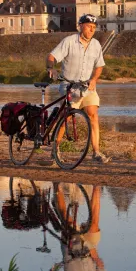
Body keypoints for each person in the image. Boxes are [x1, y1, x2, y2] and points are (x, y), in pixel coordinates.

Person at [47, 14, 110, 164]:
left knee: (93, 114)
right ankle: (55, 150)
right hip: (69, 86)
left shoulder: (96, 45)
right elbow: (51, 56)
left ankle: (96, 152)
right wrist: (51, 68)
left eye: (94, 28)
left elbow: (100, 65)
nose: (92, 30)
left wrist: (94, 79)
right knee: (65, 118)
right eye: (89, 26)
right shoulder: (69, 42)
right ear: (80, 26)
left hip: (87, 87)